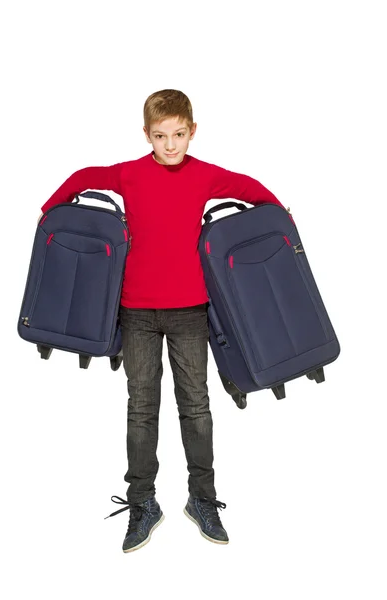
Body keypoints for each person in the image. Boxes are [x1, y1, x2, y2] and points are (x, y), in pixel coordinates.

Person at [39, 89, 284, 553]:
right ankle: (143, 502)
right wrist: (48, 208)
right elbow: (83, 177)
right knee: (141, 408)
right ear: (146, 135)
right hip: (137, 313)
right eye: (160, 136)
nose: (170, 145)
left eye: (178, 135)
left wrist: (279, 213)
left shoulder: (205, 175)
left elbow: (249, 188)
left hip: (190, 310)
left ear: (192, 131)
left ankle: (203, 499)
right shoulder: (129, 175)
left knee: (196, 407)